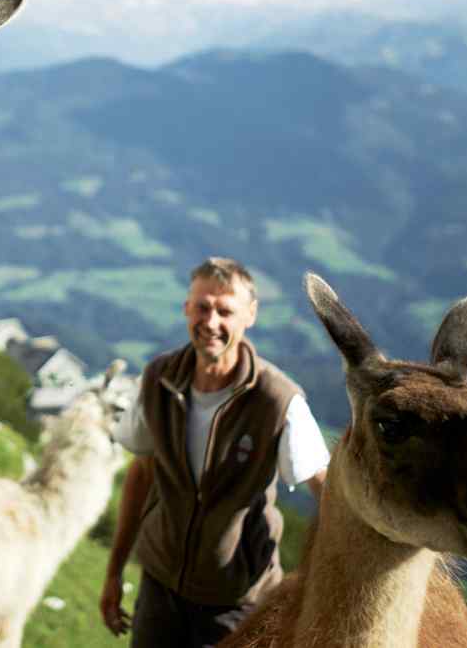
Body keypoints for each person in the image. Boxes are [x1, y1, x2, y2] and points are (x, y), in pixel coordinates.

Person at [100, 257, 329, 647]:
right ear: (186, 309)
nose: (211, 322)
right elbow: (142, 473)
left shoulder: (278, 401)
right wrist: (114, 571)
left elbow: (329, 496)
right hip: (160, 586)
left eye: (226, 311)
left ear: (250, 315)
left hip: (236, 602)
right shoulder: (158, 380)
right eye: (202, 307)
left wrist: (317, 587)